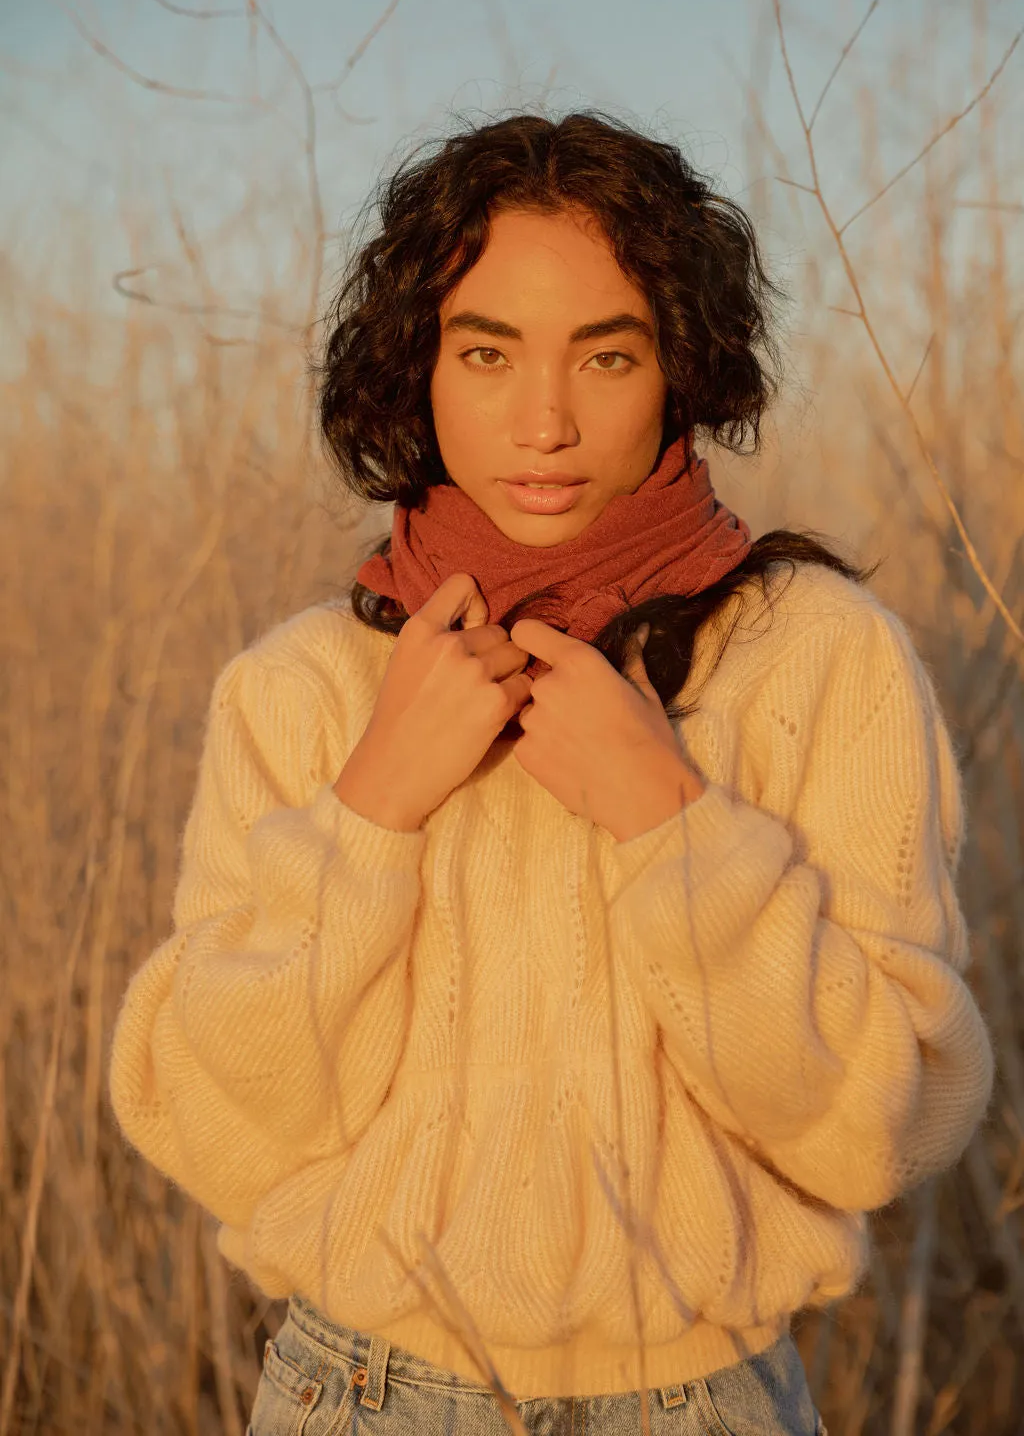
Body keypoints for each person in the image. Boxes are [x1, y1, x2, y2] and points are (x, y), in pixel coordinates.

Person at [108, 109, 994, 1436]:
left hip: (697, 1406)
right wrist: (374, 809)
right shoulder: (301, 690)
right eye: (487, 352)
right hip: (354, 1395)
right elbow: (211, 1126)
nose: (544, 421)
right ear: (418, 369)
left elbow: (882, 1125)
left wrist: (668, 818)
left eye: (607, 353)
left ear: (679, 366)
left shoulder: (819, 660)